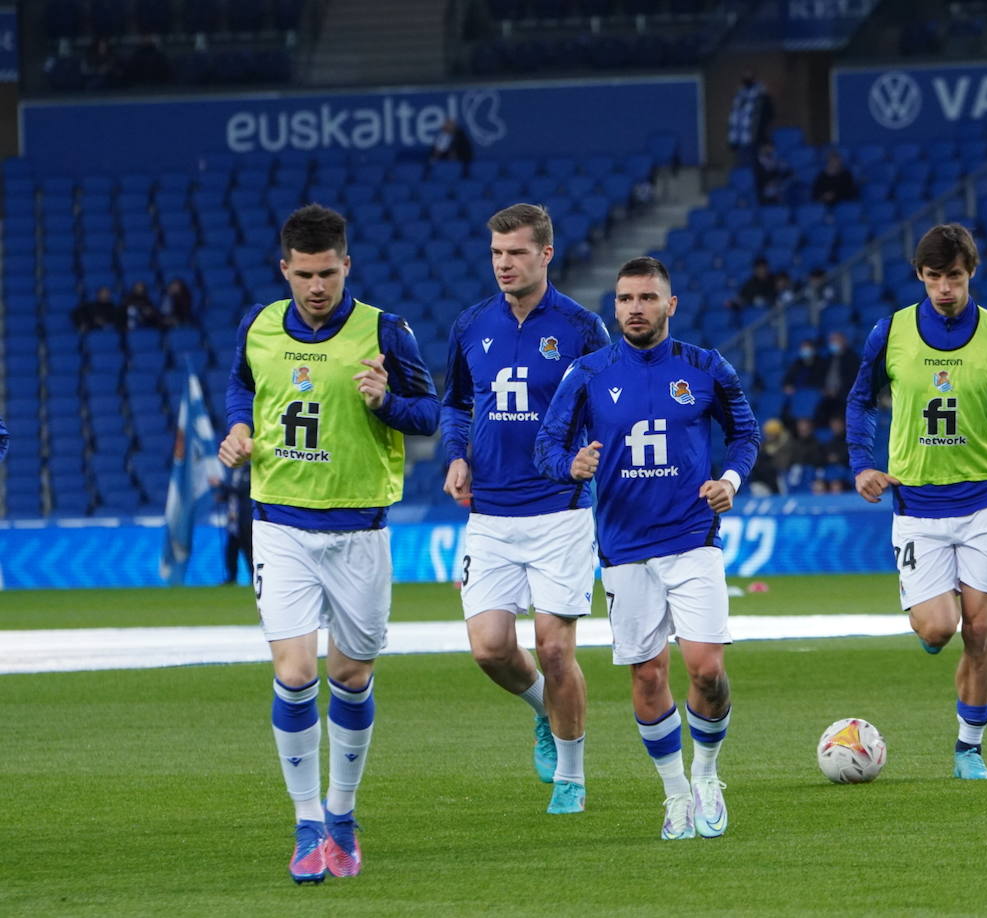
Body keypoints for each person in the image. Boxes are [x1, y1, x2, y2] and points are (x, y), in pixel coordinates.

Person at [218, 203, 439, 884]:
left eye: (329, 273)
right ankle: (307, 820)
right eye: (305, 274)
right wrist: (235, 430)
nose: (317, 287)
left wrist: (386, 404)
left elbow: (433, 413)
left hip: (360, 530)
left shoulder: (385, 331)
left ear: (349, 265)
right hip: (279, 523)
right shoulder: (257, 327)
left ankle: (343, 813)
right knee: (293, 673)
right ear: (284, 268)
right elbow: (240, 388)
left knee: (351, 676)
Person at [534, 256, 761, 840]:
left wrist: (729, 482)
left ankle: (708, 776)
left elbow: (746, 434)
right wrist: (570, 464)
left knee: (707, 669)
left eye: (648, 298)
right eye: (626, 298)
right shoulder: (587, 373)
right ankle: (676, 794)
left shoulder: (705, 368)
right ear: (615, 306)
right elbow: (547, 447)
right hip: (624, 548)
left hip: (692, 539)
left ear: (670, 305)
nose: (636, 308)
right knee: (648, 678)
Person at [845, 223, 987, 782]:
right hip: (917, 506)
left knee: (980, 629)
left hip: (985, 501)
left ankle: (969, 748)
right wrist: (862, 464)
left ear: (972, 275)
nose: (945, 288)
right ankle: (930, 621)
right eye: (935, 277)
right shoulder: (890, 333)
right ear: (920, 275)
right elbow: (860, 402)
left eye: (956, 278)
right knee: (939, 629)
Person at [439, 203, 609, 816]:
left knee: (556, 648)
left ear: (545, 254)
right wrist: (456, 455)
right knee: (488, 647)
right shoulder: (470, 326)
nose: (503, 264)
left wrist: (588, 456)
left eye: (515, 253)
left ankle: (572, 776)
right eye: (495, 254)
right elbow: (457, 404)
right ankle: (545, 709)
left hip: (558, 508)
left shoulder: (583, 327)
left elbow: (604, 408)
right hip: (489, 512)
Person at [727, 70, 773, 166]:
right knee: (744, 167)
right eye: (745, 77)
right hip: (741, 141)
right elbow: (734, 120)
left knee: (757, 166)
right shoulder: (739, 96)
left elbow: (769, 116)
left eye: (749, 77)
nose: (747, 80)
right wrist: (733, 140)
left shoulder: (761, 96)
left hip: (755, 140)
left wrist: (763, 137)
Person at [221, 462, 253, 585]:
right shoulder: (233, 472)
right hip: (234, 521)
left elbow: (243, 489)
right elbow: (232, 493)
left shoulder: (249, 470)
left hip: (246, 519)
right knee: (231, 550)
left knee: (249, 550)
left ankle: (253, 577)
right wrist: (223, 496)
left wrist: (222, 486)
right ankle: (231, 578)